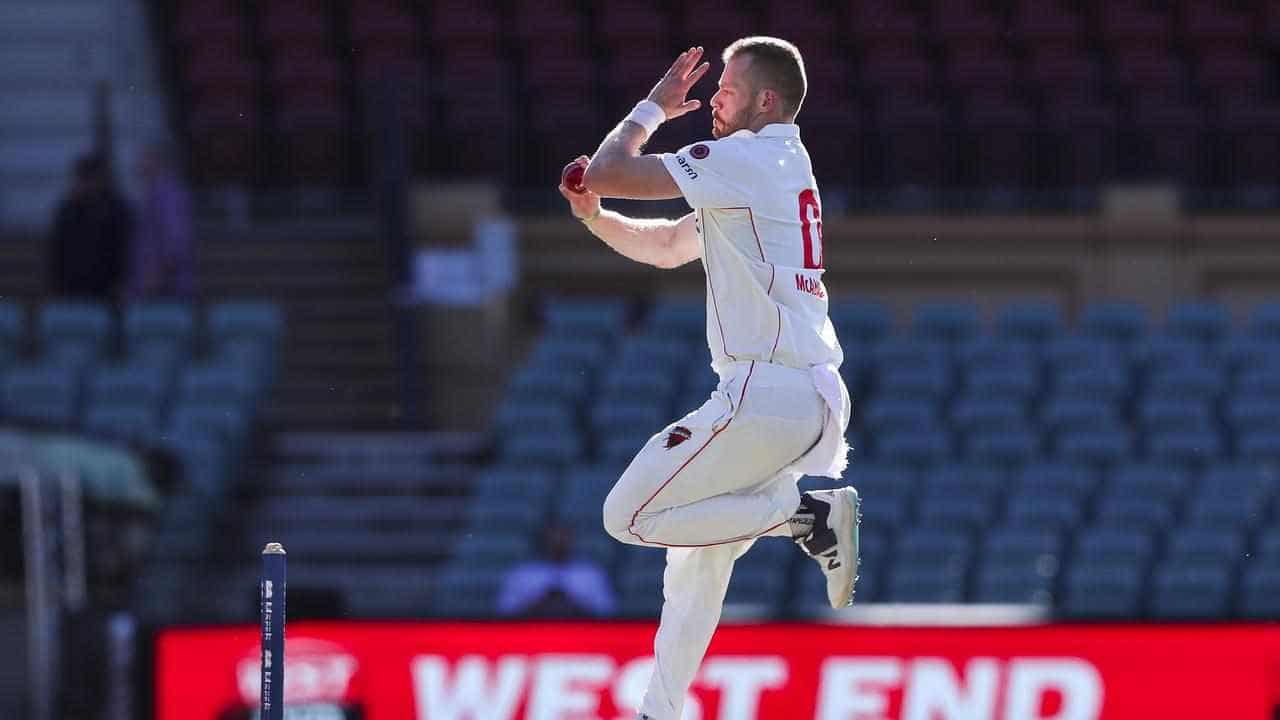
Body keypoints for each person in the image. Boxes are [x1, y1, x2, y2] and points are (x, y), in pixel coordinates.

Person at [558, 38, 859, 720]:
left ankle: (806, 515)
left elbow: (608, 168)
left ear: (767, 101)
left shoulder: (749, 160)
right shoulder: (773, 165)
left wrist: (651, 110)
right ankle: (658, 712)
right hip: (801, 397)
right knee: (696, 561)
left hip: (766, 391)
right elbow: (668, 246)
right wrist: (595, 219)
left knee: (628, 516)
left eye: (729, 87)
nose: (715, 98)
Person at [47, 152, 132, 301]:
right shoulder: (68, 210)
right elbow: (58, 252)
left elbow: (124, 250)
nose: (88, 185)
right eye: (83, 179)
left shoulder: (117, 209)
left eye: (92, 179)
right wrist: (57, 286)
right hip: (72, 288)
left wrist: (120, 283)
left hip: (108, 289)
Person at [495, 523, 617, 618]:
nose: (558, 542)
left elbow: (607, 613)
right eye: (554, 537)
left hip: (581, 636)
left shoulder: (591, 574)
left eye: (563, 537)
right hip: (532, 636)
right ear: (543, 539)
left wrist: (571, 605)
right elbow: (504, 612)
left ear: (571, 540)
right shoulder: (521, 574)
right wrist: (541, 604)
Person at [127, 141, 195, 301]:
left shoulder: (168, 195)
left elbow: (176, 239)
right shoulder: (155, 192)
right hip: (155, 284)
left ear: (156, 160)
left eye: (144, 158)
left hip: (165, 288)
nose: (138, 163)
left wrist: (158, 275)